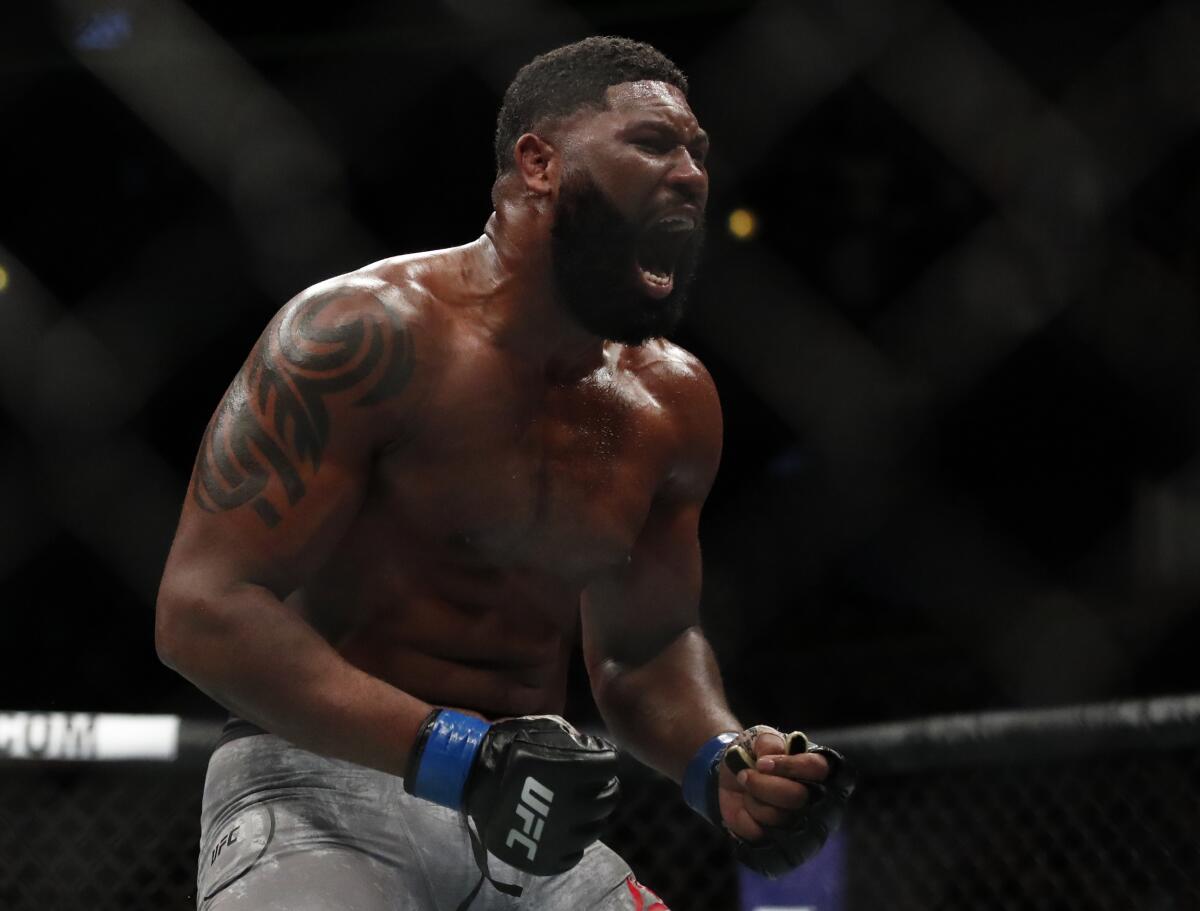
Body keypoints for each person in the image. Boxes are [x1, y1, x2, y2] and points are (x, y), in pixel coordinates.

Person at [156, 36, 852, 911]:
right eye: (652, 142)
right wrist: (456, 754)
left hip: (533, 821)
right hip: (317, 786)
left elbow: (643, 650)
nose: (689, 174)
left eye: (698, 153)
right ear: (539, 162)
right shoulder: (362, 335)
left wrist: (720, 760)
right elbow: (201, 610)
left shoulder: (671, 401)